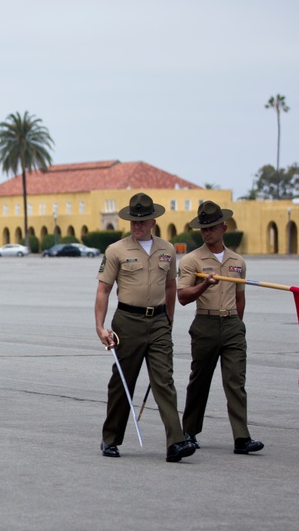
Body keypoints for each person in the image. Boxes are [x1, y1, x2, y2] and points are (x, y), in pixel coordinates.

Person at [95, 192, 195, 462]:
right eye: (133, 221)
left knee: (164, 381)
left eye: (142, 221)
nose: (137, 226)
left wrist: (169, 320)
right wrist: (100, 326)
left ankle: (176, 441)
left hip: (159, 321)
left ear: (153, 221)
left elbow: (171, 286)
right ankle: (111, 439)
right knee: (123, 382)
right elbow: (103, 290)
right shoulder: (116, 250)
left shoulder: (168, 249)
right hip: (128, 322)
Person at [177, 201, 264, 455]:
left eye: (212, 227)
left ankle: (241, 437)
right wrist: (204, 286)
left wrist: (237, 323)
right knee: (199, 381)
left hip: (232, 324)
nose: (207, 232)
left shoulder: (237, 261)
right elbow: (182, 296)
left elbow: (240, 297)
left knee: (236, 380)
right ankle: (190, 431)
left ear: (223, 227)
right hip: (205, 323)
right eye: (203, 228)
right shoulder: (192, 260)